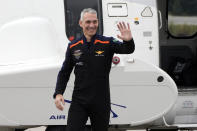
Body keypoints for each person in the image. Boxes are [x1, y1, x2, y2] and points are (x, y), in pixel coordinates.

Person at [53, 8, 135, 131]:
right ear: (81, 23)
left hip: (101, 101)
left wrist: (128, 41)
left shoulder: (107, 42)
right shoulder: (73, 46)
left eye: (95, 22)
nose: (92, 25)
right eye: (88, 22)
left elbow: (127, 49)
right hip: (79, 101)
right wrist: (59, 93)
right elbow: (64, 72)